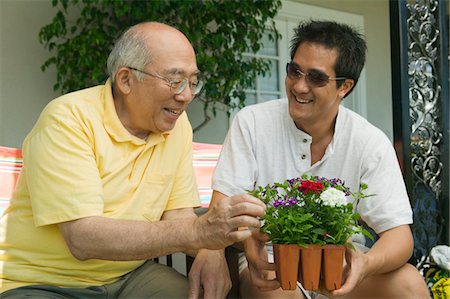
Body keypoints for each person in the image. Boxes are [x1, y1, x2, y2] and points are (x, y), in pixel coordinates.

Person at [0, 22, 266, 299]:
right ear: (126, 79)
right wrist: (200, 232)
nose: (186, 95)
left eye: (193, 81)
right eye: (175, 80)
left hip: (129, 276)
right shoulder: (68, 119)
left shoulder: (176, 125)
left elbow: (179, 215)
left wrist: (211, 248)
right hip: (43, 282)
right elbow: (83, 238)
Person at [211, 20, 430, 298]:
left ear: (345, 87)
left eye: (316, 78)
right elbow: (220, 208)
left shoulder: (369, 141)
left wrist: (365, 263)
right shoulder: (252, 123)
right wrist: (248, 242)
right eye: (294, 71)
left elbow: (400, 237)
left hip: (341, 263)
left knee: (410, 286)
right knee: (275, 292)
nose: (299, 87)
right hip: (272, 260)